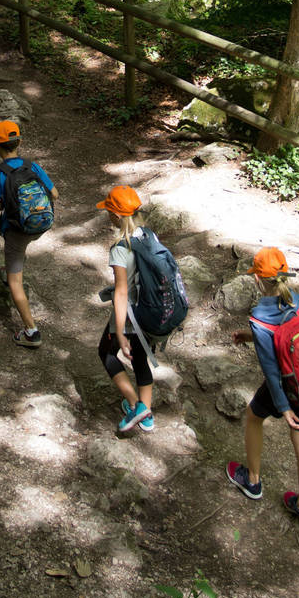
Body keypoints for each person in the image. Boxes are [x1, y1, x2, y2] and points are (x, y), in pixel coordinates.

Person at [225, 247, 299, 529]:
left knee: (254, 415)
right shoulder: (298, 301)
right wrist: (248, 336)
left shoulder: (259, 317)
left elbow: (270, 367)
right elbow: (287, 336)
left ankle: (252, 480)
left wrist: (282, 406)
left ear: (257, 280)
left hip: (286, 387)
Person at [0, 120, 57, 348]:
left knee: (15, 281)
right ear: (19, 142)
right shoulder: (32, 166)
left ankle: (31, 332)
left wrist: (9, 202)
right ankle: (11, 265)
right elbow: (54, 193)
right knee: (19, 249)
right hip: (41, 225)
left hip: (16, 230)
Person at [95, 185, 164, 433]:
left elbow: (121, 291)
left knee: (107, 353)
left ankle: (138, 407)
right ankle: (146, 417)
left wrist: (121, 332)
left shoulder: (120, 248)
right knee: (141, 358)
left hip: (133, 315)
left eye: (108, 211)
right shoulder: (148, 235)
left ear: (115, 215)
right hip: (153, 311)